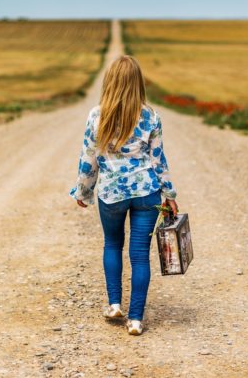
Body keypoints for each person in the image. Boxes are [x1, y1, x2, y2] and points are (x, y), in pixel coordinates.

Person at [69, 55, 178, 336]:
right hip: (146, 192)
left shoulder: (97, 115)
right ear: (137, 84)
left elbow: (88, 159)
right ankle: (136, 320)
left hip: (111, 193)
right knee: (140, 256)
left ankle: (115, 304)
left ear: (111, 82)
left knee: (112, 244)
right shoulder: (151, 116)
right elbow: (158, 159)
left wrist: (83, 190)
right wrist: (169, 193)